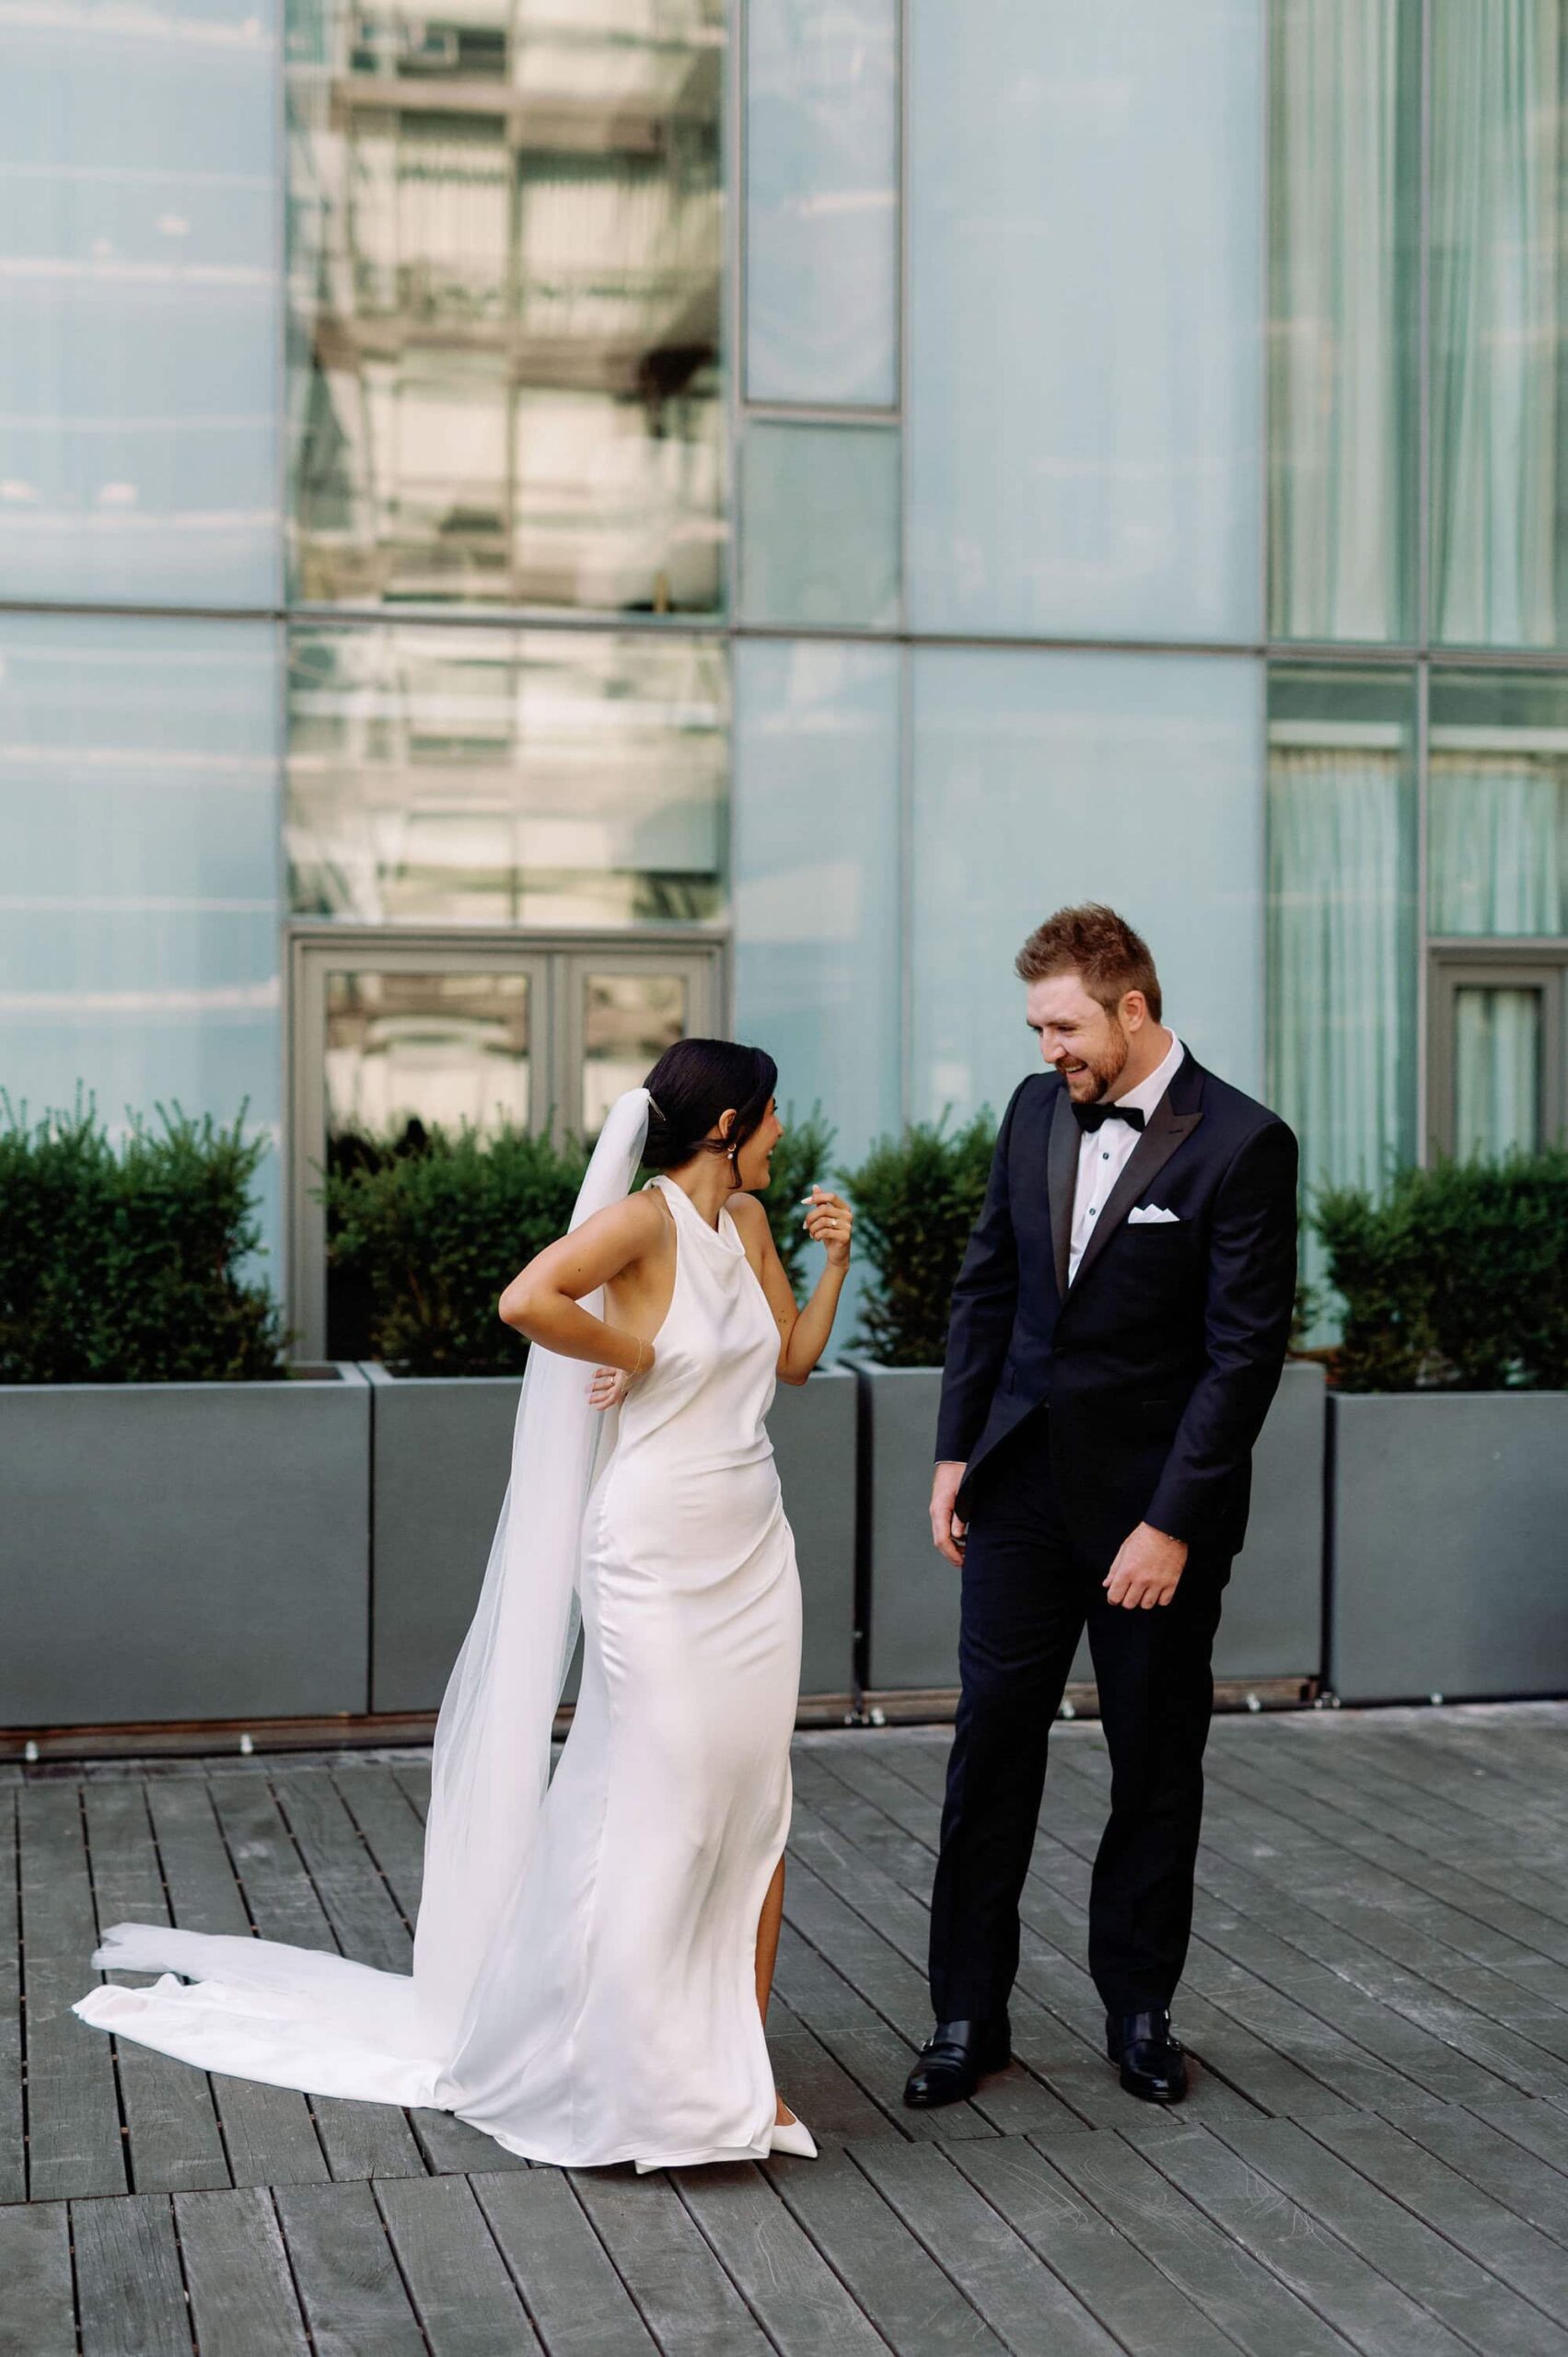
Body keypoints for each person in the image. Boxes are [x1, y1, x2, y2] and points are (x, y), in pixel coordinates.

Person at [74, 1041, 855, 2172]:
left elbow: (789, 1361)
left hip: (751, 1550)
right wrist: (633, 1350)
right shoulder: (643, 1223)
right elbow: (527, 1298)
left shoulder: (747, 1223)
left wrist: (833, 1265)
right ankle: (636, 2078)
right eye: (772, 1113)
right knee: (675, 1804)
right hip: (651, 1550)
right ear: (729, 1124)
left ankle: (746, 2074)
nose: (784, 1130)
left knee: (755, 1804)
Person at [906, 905, 1297, 2112]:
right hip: (1017, 1492)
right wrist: (953, 1452)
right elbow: (984, 1290)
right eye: (1036, 1028)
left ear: (1131, 1007)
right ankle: (965, 2016)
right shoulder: (1032, 1112)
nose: (1048, 1051)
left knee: (1152, 1766)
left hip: (1150, 1519)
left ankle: (1138, 2014)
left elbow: (1241, 1356)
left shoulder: (1242, 1142)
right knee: (988, 1751)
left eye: (1064, 1027)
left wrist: (1169, 1523)